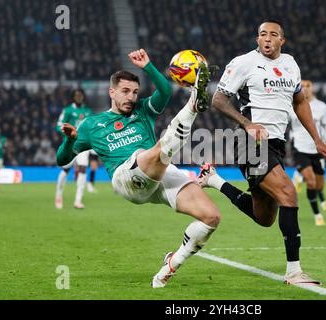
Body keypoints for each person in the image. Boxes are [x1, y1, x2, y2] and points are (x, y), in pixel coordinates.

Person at [56, 49, 220, 288]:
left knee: (211, 216)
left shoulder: (143, 109)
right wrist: (70, 140)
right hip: (127, 177)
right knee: (151, 152)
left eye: (134, 92)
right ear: (111, 92)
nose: (131, 97)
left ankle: (173, 262)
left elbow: (164, 90)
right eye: (125, 91)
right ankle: (193, 104)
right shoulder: (91, 125)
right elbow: (62, 159)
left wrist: (148, 66)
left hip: (159, 170)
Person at [197, 21, 326, 285]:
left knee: (265, 217)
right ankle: (294, 272)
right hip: (250, 141)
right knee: (288, 192)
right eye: (262, 34)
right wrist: (247, 124)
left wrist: (317, 139)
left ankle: (214, 180)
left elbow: (299, 102)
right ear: (257, 39)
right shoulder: (243, 63)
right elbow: (218, 99)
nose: (267, 38)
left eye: (273, 34)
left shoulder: (291, 64)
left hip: (276, 144)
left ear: (282, 40)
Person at [289, 80, 326, 226]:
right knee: (310, 181)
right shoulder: (291, 105)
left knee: (319, 186)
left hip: (317, 150)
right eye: (302, 86)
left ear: (312, 88)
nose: (305, 88)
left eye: (308, 86)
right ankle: (317, 215)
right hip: (299, 148)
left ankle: (298, 175)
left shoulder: (321, 107)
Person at [55, 89, 93, 209]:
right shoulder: (68, 110)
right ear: (73, 97)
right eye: (76, 95)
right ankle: (59, 195)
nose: (79, 97)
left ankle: (78, 201)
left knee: (82, 169)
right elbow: (58, 125)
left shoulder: (88, 111)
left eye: (81, 95)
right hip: (70, 143)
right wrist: (66, 134)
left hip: (83, 145)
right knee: (65, 170)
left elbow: (92, 127)